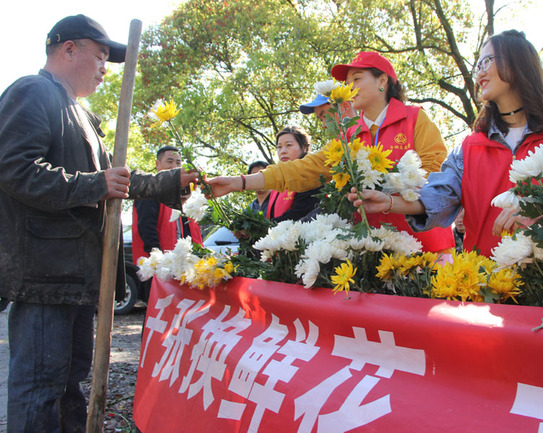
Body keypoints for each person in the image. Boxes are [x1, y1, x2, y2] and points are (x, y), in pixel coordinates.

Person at [0, 15, 197, 432]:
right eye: (101, 55)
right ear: (68, 49)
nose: (106, 68)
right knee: (39, 387)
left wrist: (170, 182)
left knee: (68, 385)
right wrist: (95, 184)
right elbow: (14, 170)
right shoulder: (33, 92)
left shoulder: (84, 118)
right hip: (45, 275)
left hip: (78, 276)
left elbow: (116, 182)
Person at [347, 30, 543, 256]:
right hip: (487, 290)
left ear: (517, 62)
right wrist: (389, 202)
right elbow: (439, 195)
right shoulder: (469, 147)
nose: (479, 73)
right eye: (478, 66)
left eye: (487, 61)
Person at [208, 51, 455, 253]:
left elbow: (435, 174)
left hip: (425, 248)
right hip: (372, 252)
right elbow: (303, 170)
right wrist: (239, 182)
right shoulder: (348, 135)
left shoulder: (415, 118)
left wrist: (392, 196)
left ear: (382, 81)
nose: (349, 88)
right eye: (346, 83)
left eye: (356, 79)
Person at [131, 146, 203, 295]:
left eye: (178, 162)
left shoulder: (187, 193)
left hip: (183, 263)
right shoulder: (150, 189)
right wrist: (157, 259)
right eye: (169, 161)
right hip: (160, 264)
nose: (174, 166)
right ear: (158, 164)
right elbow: (146, 226)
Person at [266, 126, 321, 222]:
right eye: (279, 147)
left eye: (289, 145)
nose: (282, 151)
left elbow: (299, 213)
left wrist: (263, 227)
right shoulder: (277, 184)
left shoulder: (311, 176)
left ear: (304, 147)